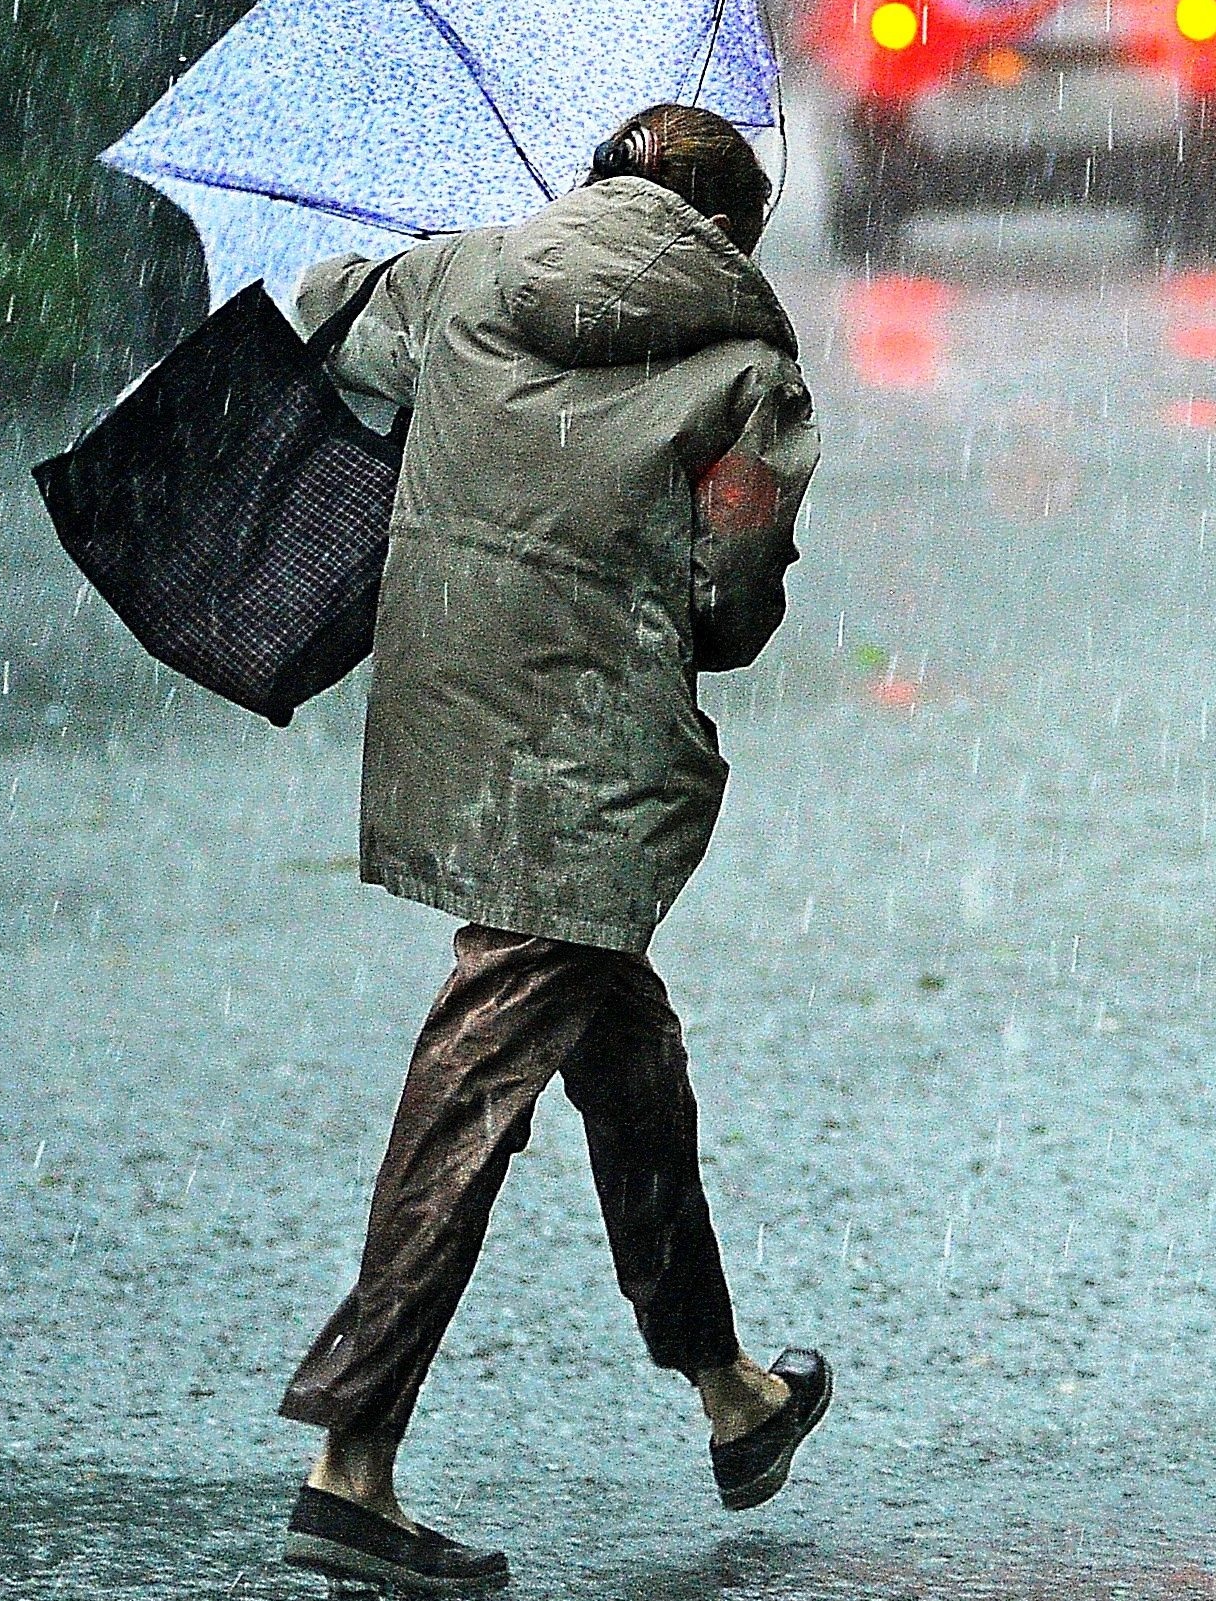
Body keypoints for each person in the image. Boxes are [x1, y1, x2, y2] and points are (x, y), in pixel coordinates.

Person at [273, 104, 828, 1595]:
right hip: (590, 761)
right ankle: (353, 1458)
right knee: (474, 1083)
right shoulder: (745, 365)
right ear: (732, 232)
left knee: (624, 1044)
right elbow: (735, 599)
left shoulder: (463, 272)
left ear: (596, 186)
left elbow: (325, 309)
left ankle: (729, 1389)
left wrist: (482, 250)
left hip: (449, 711)